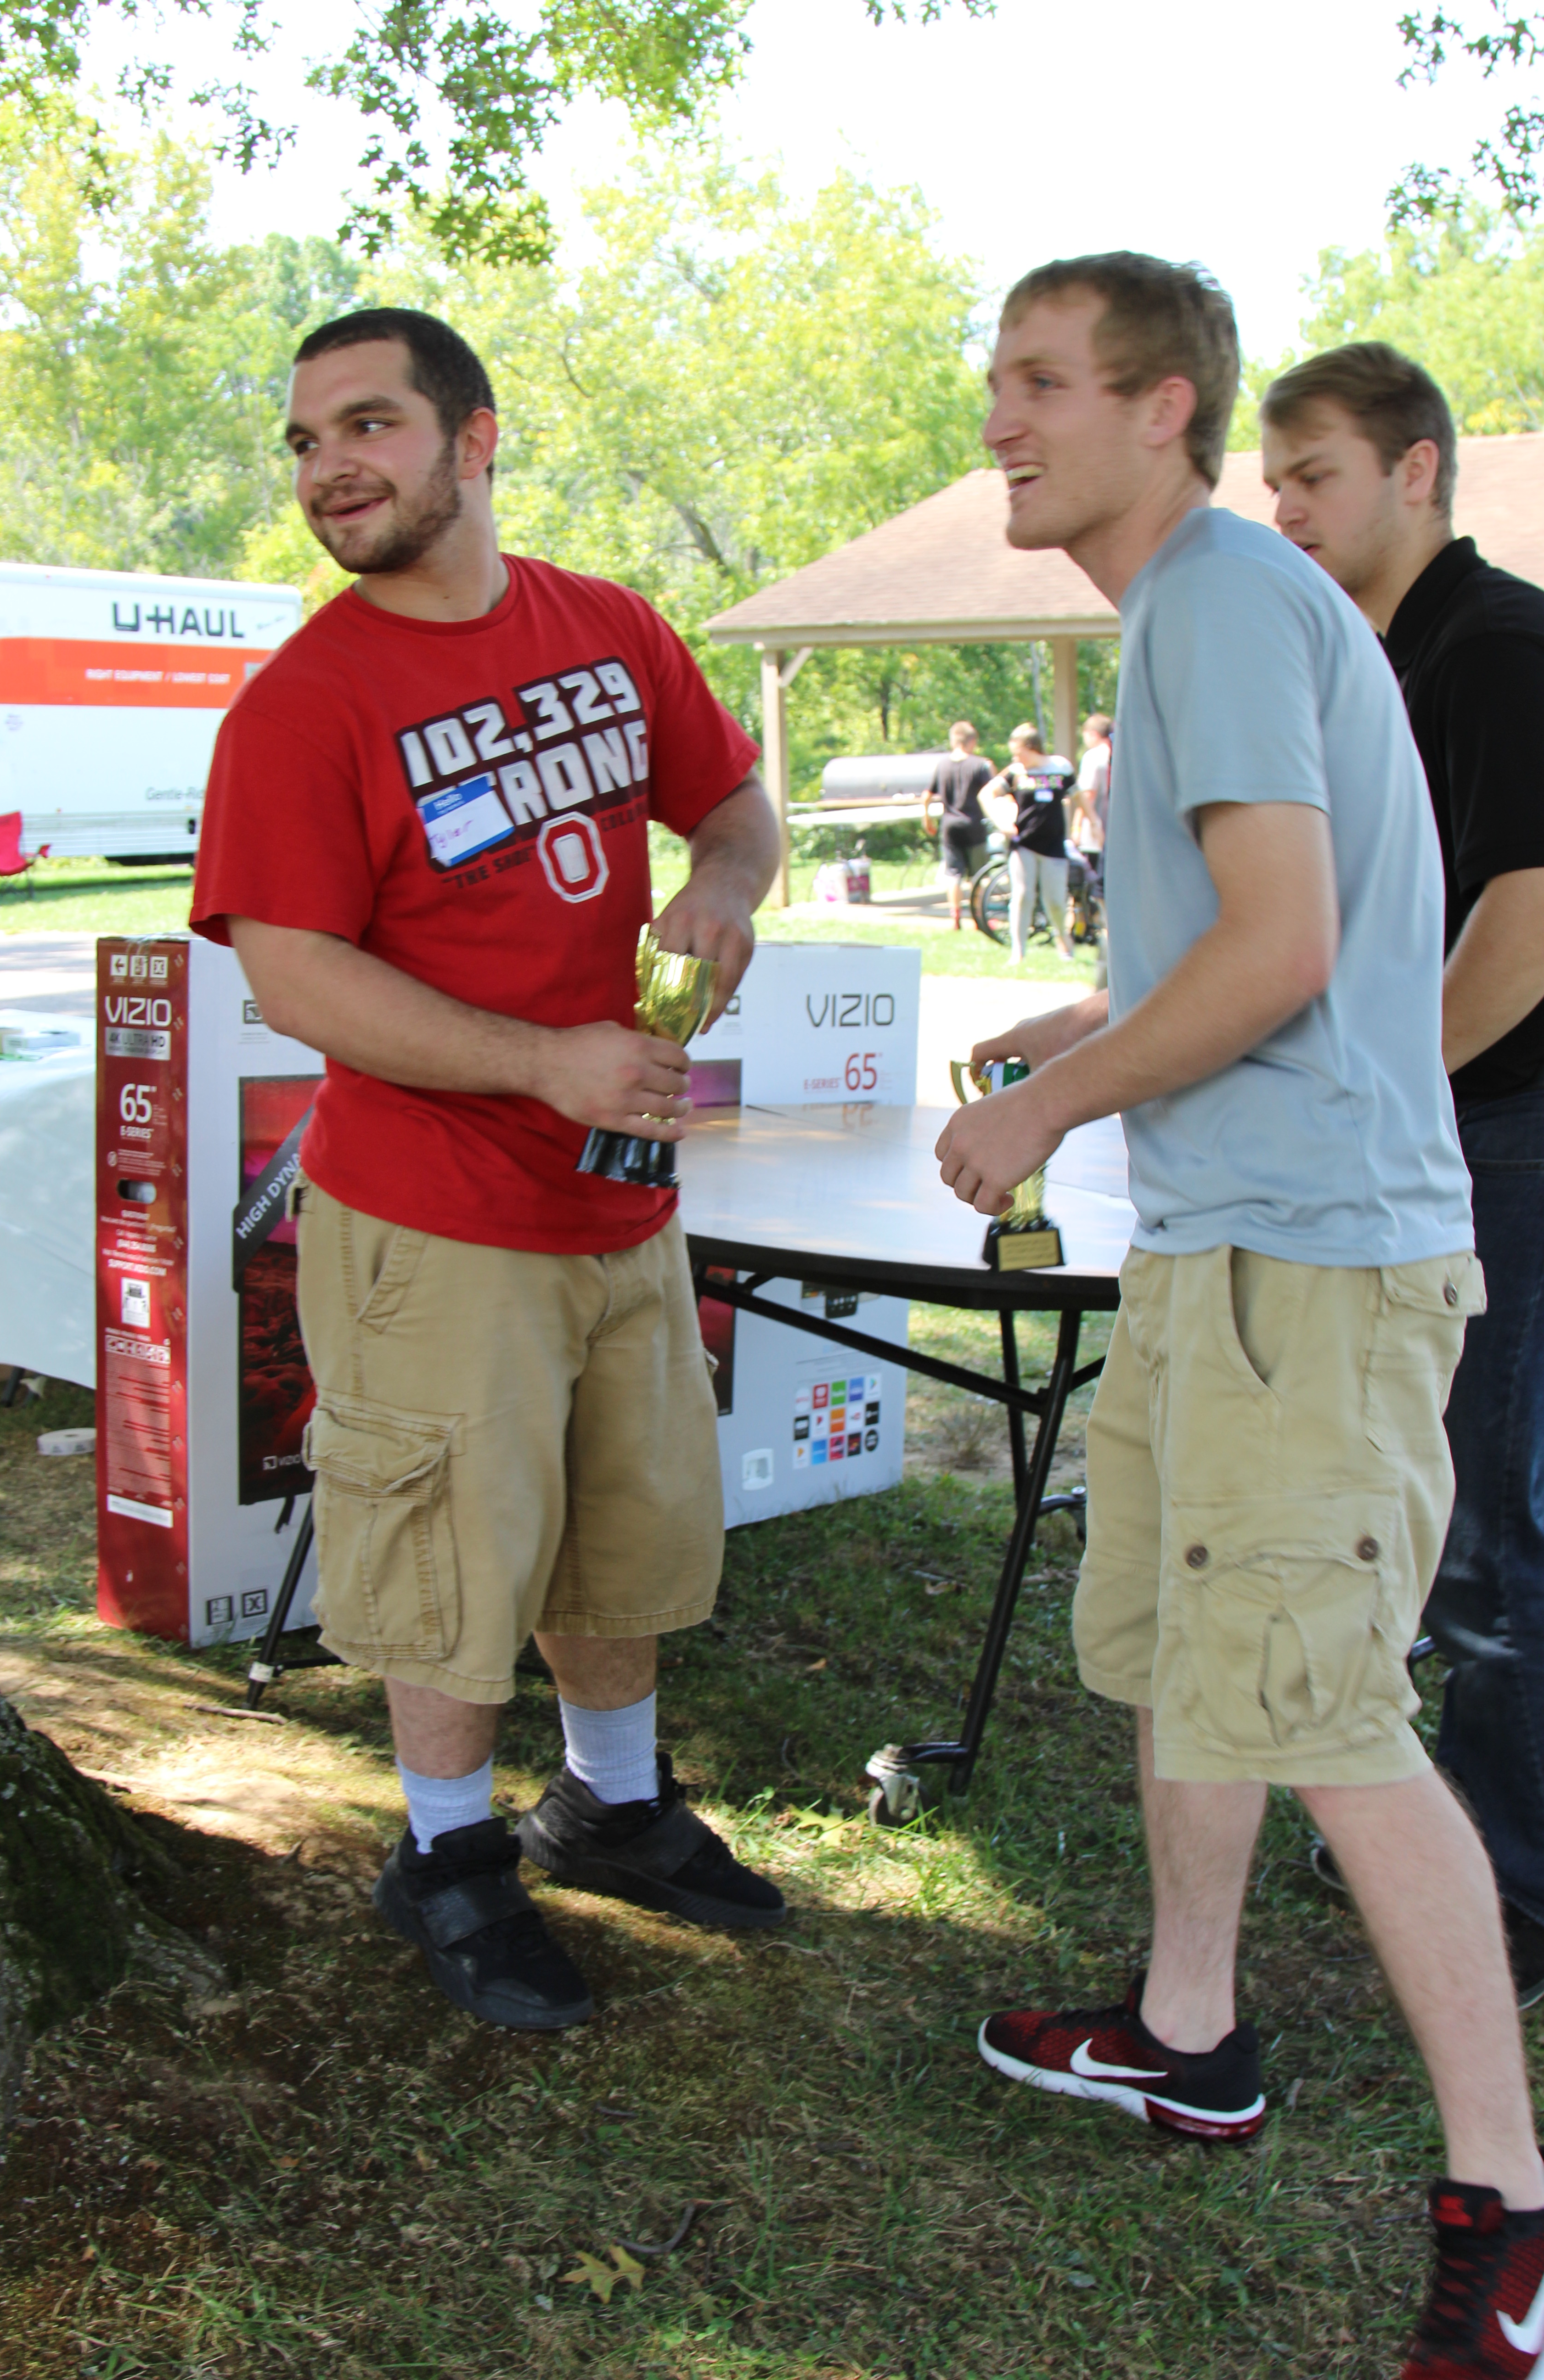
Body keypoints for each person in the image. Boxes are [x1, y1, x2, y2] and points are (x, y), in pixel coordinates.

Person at [935, 251, 1544, 2380]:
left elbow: (1281, 952)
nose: (995, 419)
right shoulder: (1202, 607)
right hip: (1229, 1246)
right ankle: (1184, 2035)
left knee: (1328, 1716)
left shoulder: (1201, 592)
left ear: (1156, 405)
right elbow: (1288, 932)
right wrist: (1086, 1020)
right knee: (1200, 1654)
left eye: (1034, 381)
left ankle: (1508, 2213)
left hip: (1313, 1261)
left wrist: (1048, 1112)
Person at [189, 306, 786, 2036]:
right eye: (305, 441)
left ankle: (612, 1801)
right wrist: (540, 1058)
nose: (329, 469)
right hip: (431, 1216)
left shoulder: (606, 628)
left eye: (366, 424)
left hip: (619, 1200)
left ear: (478, 436)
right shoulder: (307, 702)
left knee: (624, 1529)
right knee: (450, 1558)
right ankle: (446, 1859)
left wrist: (724, 895)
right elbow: (293, 973)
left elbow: (737, 808)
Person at [1261, 341, 1544, 2017]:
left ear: (1417, 470)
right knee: (1422, 1511)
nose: (1284, 508)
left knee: (1495, 1533)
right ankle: (1444, 1825)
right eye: (1274, 480)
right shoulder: (1378, 658)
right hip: (1437, 1141)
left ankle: (1512, 1883)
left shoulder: (1499, 650)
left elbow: (1515, 944)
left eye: (1313, 476)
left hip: (1500, 1141)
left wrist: (1361, 1103)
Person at [982, 723, 1076, 959]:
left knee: (1055, 900)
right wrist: (1001, 822)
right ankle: (1018, 952)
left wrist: (1091, 821)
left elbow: (1078, 795)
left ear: (1032, 748)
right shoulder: (1016, 772)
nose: (1015, 758)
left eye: (1018, 752)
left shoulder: (1061, 767)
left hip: (1053, 844)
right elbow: (986, 794)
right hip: (1023, 842)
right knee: (1022, 896)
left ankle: (1063, 940)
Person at [919, 719, 991, 928]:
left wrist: (927, 819)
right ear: (973, 742)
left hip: (950, 826)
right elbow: (993, 791)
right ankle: (980, 917)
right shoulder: (979, 765)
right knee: (980, 875)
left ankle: (955, 916)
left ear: (953, 741)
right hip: (974, 825)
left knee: (953, 874)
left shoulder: (942, 765)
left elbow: (926, 795)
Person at [1075, 711, 1113, 882]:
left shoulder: (1093, 757)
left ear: (1093, 734)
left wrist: (1076, 828)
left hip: (1095, 829)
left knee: (1093, 881)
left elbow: (1087, 795)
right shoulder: (1119, 754)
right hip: (1115, 827)